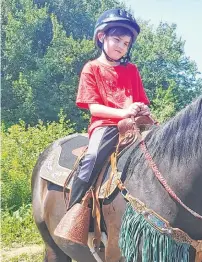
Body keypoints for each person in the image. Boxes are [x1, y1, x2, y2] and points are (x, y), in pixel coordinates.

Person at [68, 8, 150, 210]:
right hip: (106, 126)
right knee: (92, 158)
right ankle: (74, 209)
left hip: (134, 124)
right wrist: (124, 112)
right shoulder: (91, 68)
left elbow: (141, 102)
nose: (121, 47)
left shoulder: (132, 70)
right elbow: (94, 109)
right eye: (117, 40)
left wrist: (140, 107)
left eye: (126, 44)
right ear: (101, 36)